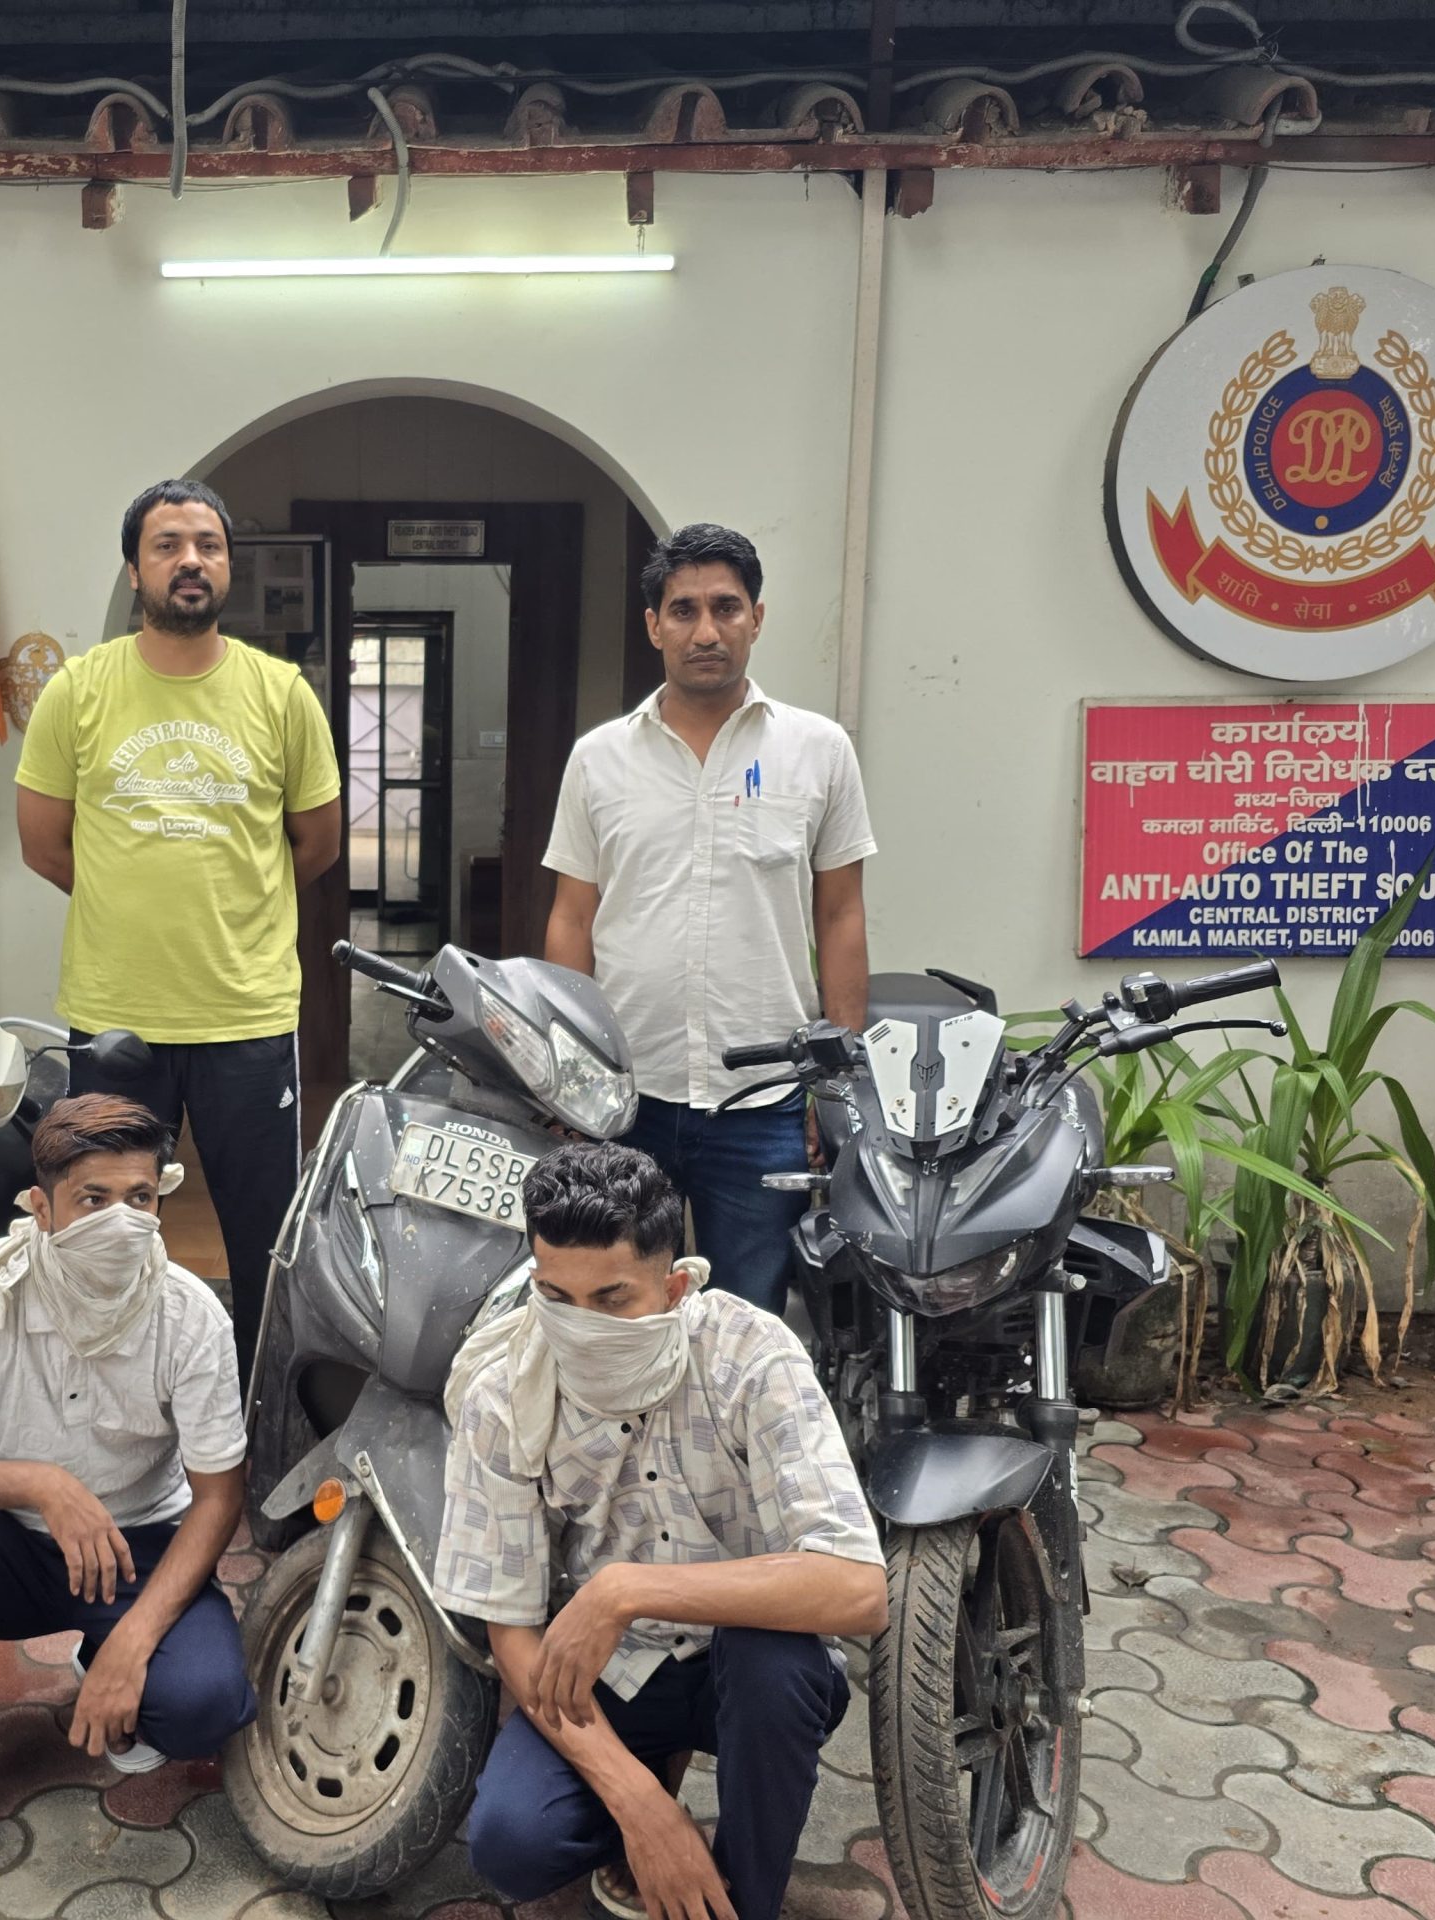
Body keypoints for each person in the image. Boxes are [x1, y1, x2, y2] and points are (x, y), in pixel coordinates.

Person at [437, 1142, 886, 1920]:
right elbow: (510, 1630)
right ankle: (653, 1822)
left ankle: (746, 1893)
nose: (582, 1329)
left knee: (774, 1670)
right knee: (512, 1843)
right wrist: (643, 1810)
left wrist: (625, 1590)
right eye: (556, 1297)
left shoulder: (750, 1356)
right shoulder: (504, 1390)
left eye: (612, 1300)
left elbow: (858, 1589)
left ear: (676, 1288)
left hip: (740, 1664)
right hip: (611, 1670)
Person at [0, 1094, 257, 1910]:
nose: (121, 1223)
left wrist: (132, 1644)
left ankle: (103, 1648)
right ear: (40, 1209)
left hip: (135, 1547)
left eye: (140, 1198)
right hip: (2, 1542)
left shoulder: (191, 1315)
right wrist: (40, 1482)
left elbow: (219, 1498)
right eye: (92, 1200)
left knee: (203, 1708)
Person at [14, 479, 342, 1371]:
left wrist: (230, 902)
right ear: (135, 570)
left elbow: (315, 843)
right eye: (167, 545)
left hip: (246, 1015)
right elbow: (43, 844)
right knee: (103, 1235)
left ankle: (260, 1416)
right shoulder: (78, 691)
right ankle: (114, 1399)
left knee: (265, 1239)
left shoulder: (281, 694)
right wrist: (127, 898)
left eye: (208, 545)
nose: (190, 560)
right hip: (116, 1017)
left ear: (228, 567)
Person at [542, 522, 877, 1314]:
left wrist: (835, 1084)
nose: (706, 631)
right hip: (626, 1098)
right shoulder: (599, 759)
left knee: (747, 1319)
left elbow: (840, 914)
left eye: (726, 608)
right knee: (618, 1313)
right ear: (653, 625)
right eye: (683, 610)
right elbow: (573, 919)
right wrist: (568, 1081)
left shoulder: (818, 751)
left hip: (762, 1103)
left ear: (756, 618)